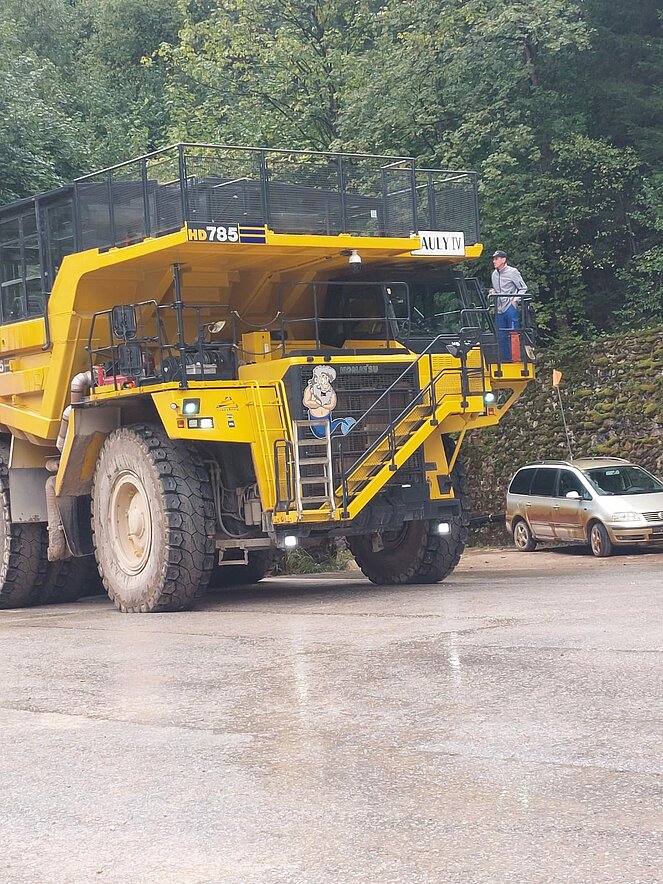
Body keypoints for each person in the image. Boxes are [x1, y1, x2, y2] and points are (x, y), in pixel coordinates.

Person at [489, 250, 527, 362]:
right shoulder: (494, 274)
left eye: (496, 259)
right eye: (494, 259)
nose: (494, 261)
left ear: (503, 260)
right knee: (501, 334)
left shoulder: (512, 272)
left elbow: (523, 288)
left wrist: (515, 300)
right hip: (499, 308)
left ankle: (515, 360)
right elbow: (496, 289)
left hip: (510, 306)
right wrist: (492, 292)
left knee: (513, 333)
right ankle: (505, 360)